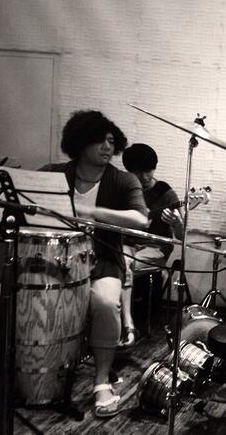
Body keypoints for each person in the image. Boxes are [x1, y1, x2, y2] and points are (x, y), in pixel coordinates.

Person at [40, 110, 149, 418]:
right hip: (54, 260)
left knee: (104, 302)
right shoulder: (53, 173)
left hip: (104, 260)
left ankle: (101, 382)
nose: (107, 146)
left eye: (111, 141)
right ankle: (36, 374)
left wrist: (92, 212)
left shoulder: (123, 180)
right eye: (99, 140)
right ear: (79, 142)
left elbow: (141, 219)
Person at [119, 143, 184, 347]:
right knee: (121, 261)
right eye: (139, 172)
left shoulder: (165, 193)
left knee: (124, 264)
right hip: (126, 243)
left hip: (155, 247)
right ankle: (122, 322)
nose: (145, 177)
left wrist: (177, 223)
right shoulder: (124, 188)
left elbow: (181, 236)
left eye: (149, 170)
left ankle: (126, 326)